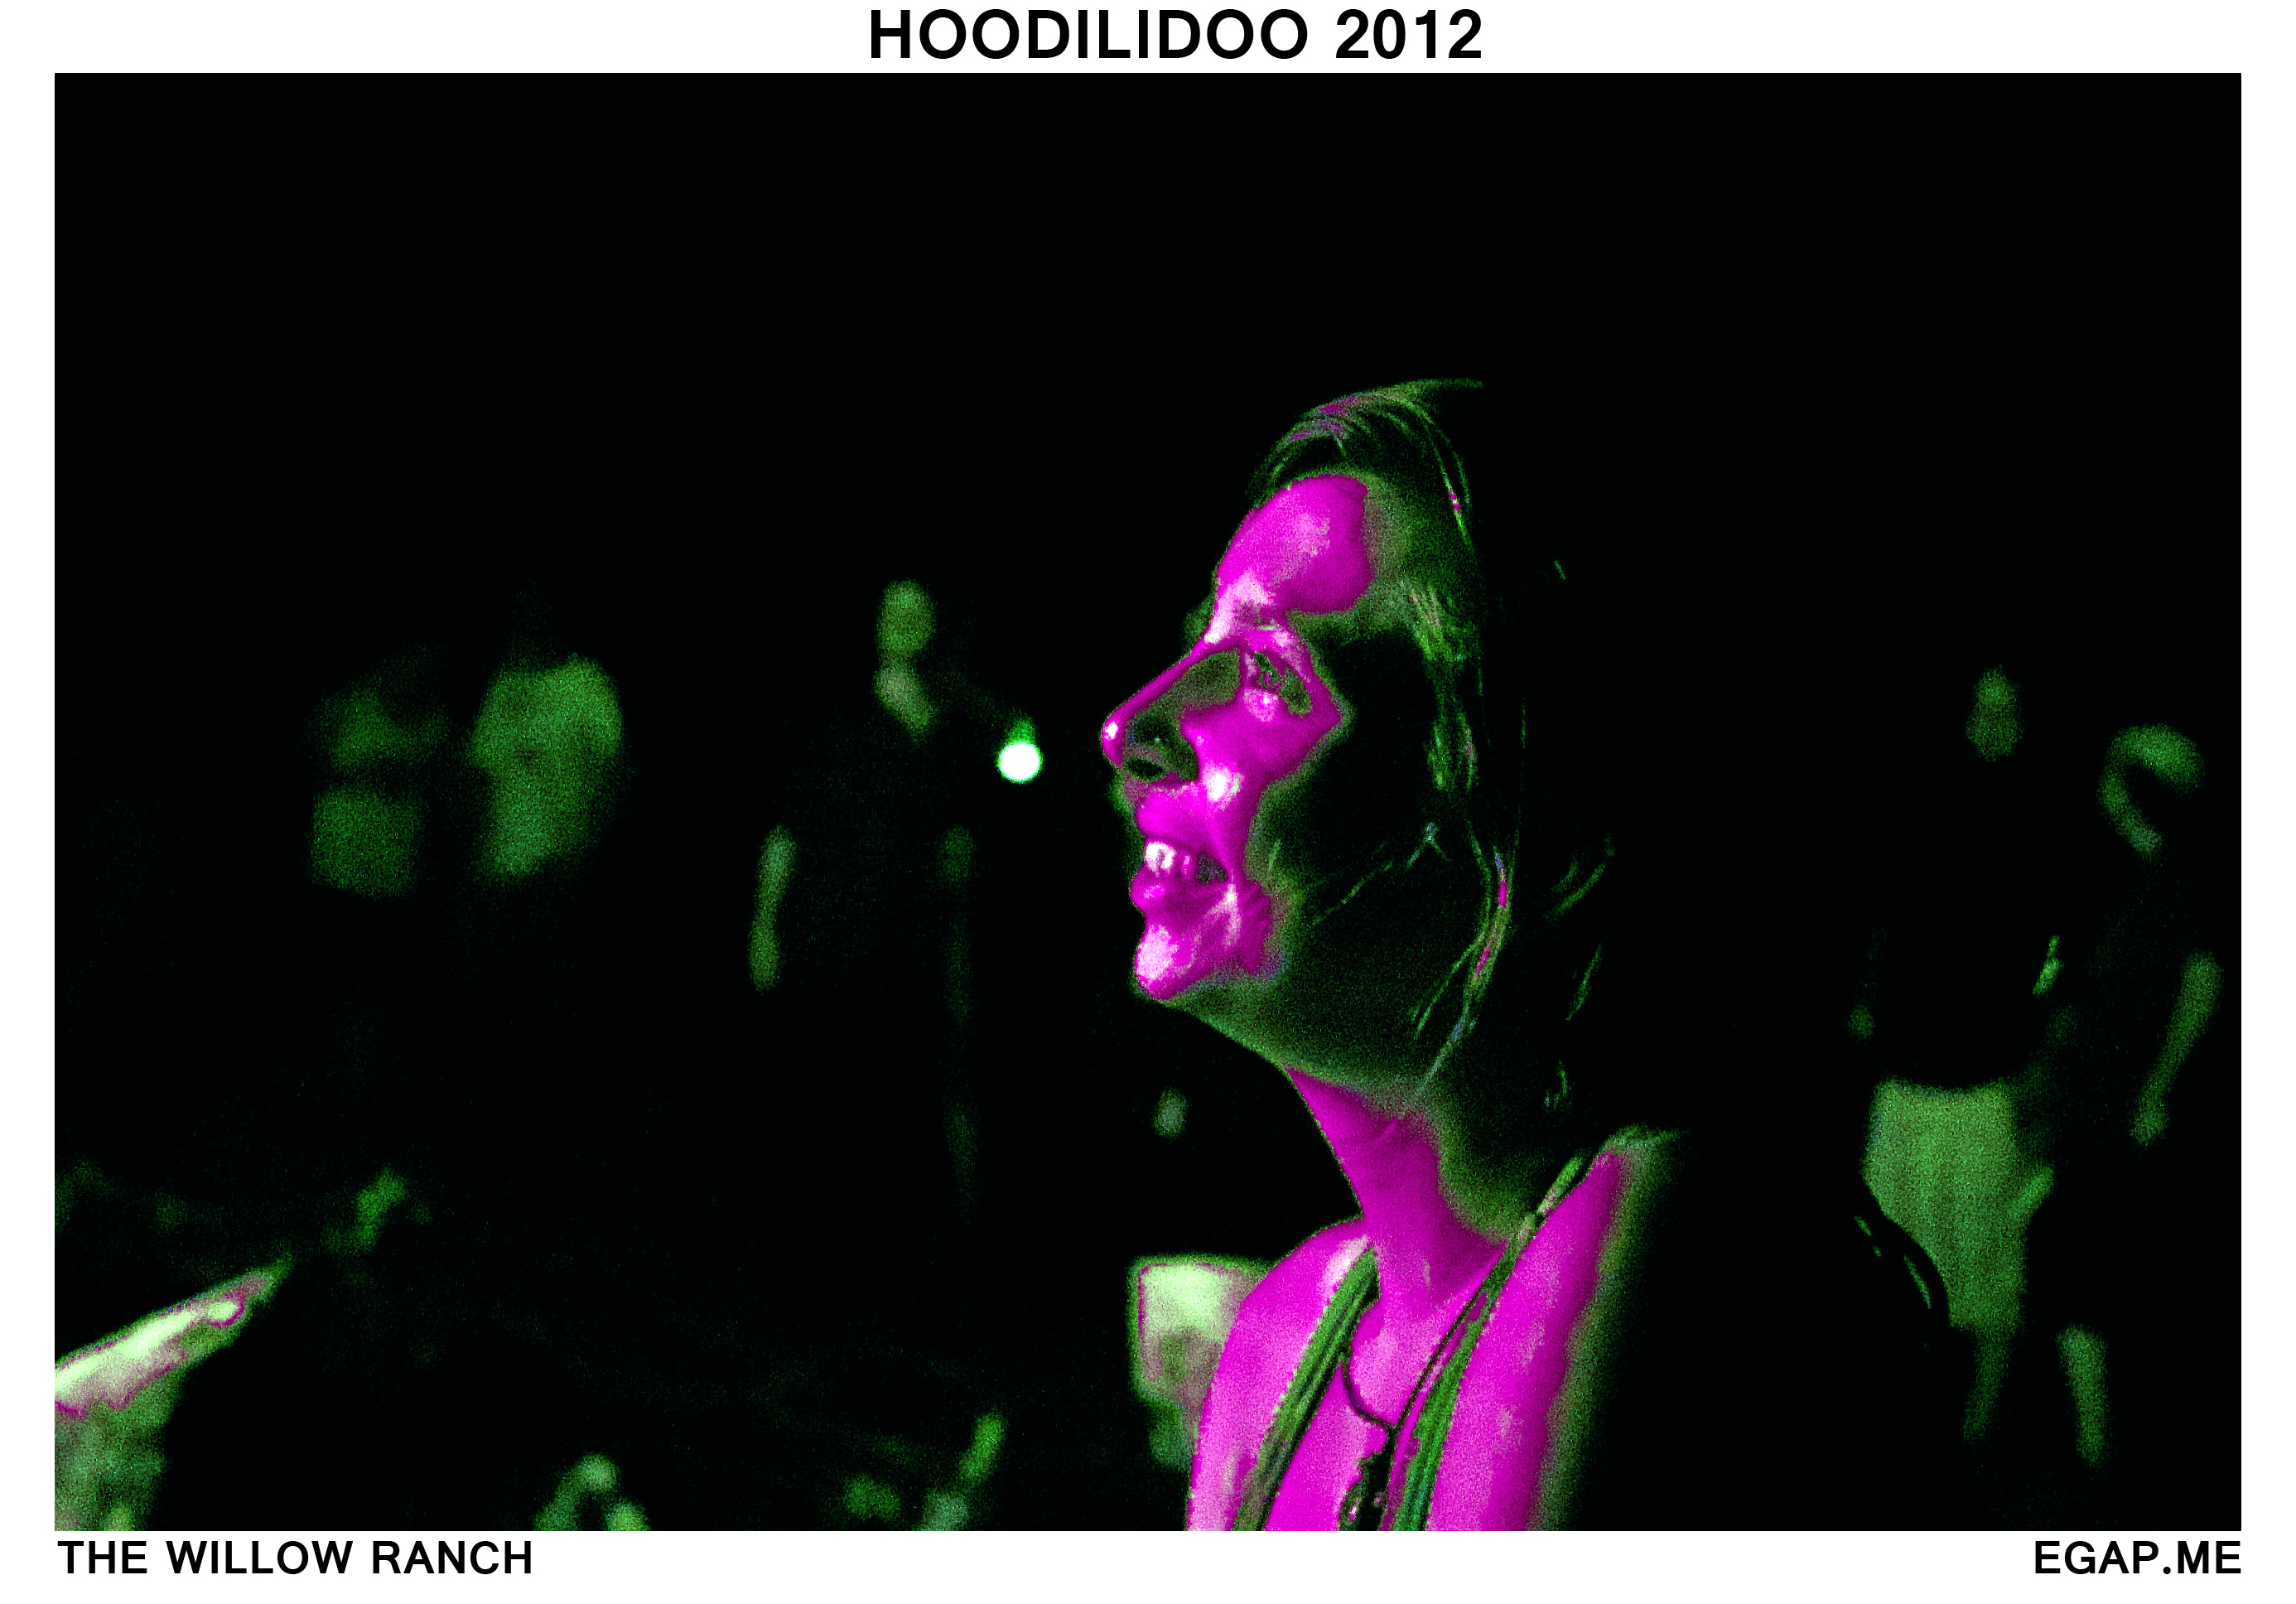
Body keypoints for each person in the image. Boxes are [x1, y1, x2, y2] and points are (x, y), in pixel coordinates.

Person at [1097, 381, 1961, 1529]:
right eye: (1196, 643)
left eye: (1268, 675)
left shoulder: (1654, 1229)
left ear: (1532, 824)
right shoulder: (1286, 1332)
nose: (1132, 725)